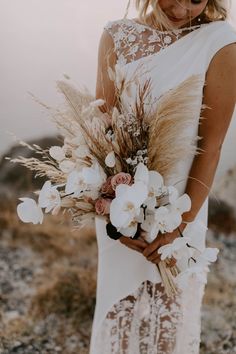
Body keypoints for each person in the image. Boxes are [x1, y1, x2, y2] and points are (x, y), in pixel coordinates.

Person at [89, 1, 236, 353]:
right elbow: (100, 128)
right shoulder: (116, 35)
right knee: (118, 314)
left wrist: (178, 228)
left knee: (169, 317)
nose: (183, 7)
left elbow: (211, 147)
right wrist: (114, 215)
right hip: (119, 204)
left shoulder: (220, 43)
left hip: (180, 205)